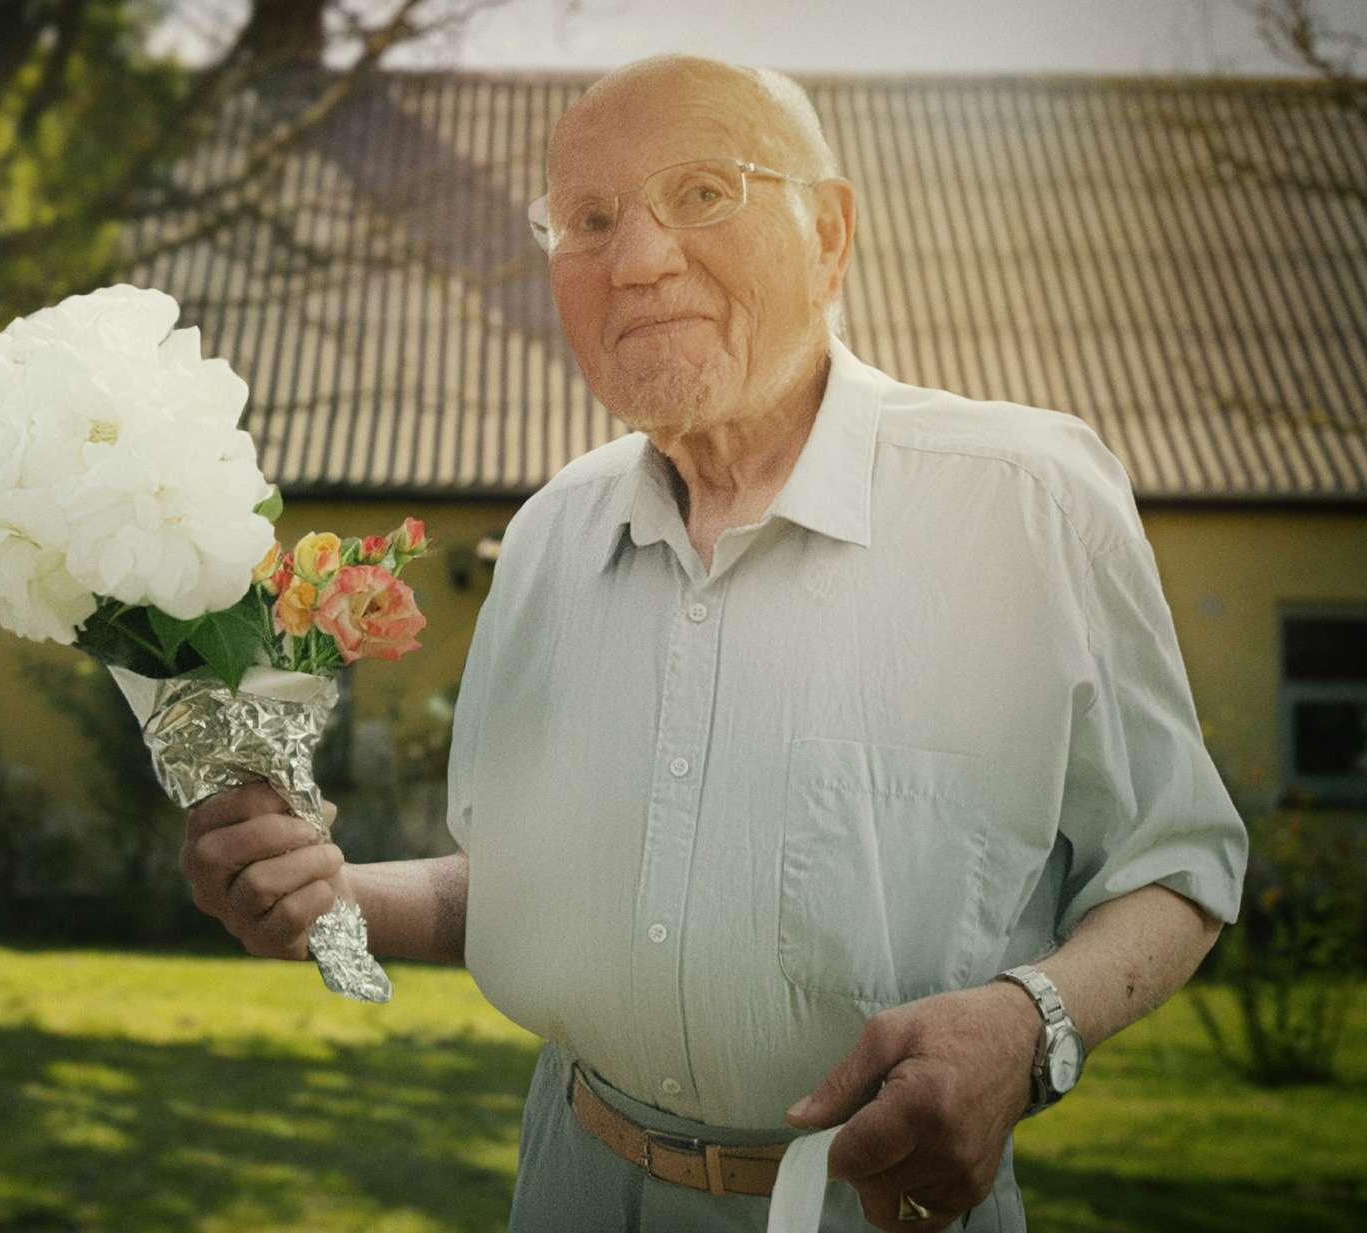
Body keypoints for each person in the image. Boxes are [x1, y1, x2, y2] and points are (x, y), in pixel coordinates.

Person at [179, 52, 1247, 1233]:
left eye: (700, 193)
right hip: (568, 1182)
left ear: (828, 233)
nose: (636, 261)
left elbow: (1174, 865)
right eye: (588, 220)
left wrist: (1026, 1023)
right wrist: (330, 895)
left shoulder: (1023, 501)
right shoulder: (547, 537)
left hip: (876, 1206)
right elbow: (533, 887)